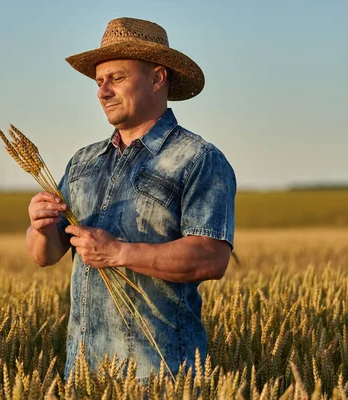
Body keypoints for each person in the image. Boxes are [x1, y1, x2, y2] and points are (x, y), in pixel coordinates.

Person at [25, 17, 236, 383]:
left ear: (157, 78)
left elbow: (212, 257)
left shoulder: (198, 158)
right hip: (84, 375)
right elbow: (46, 255)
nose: (102, 91)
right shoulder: (82, 162)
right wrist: (40, 227)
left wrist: (120, 253)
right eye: (99, 81)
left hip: (162, 375)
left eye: (116, 78)